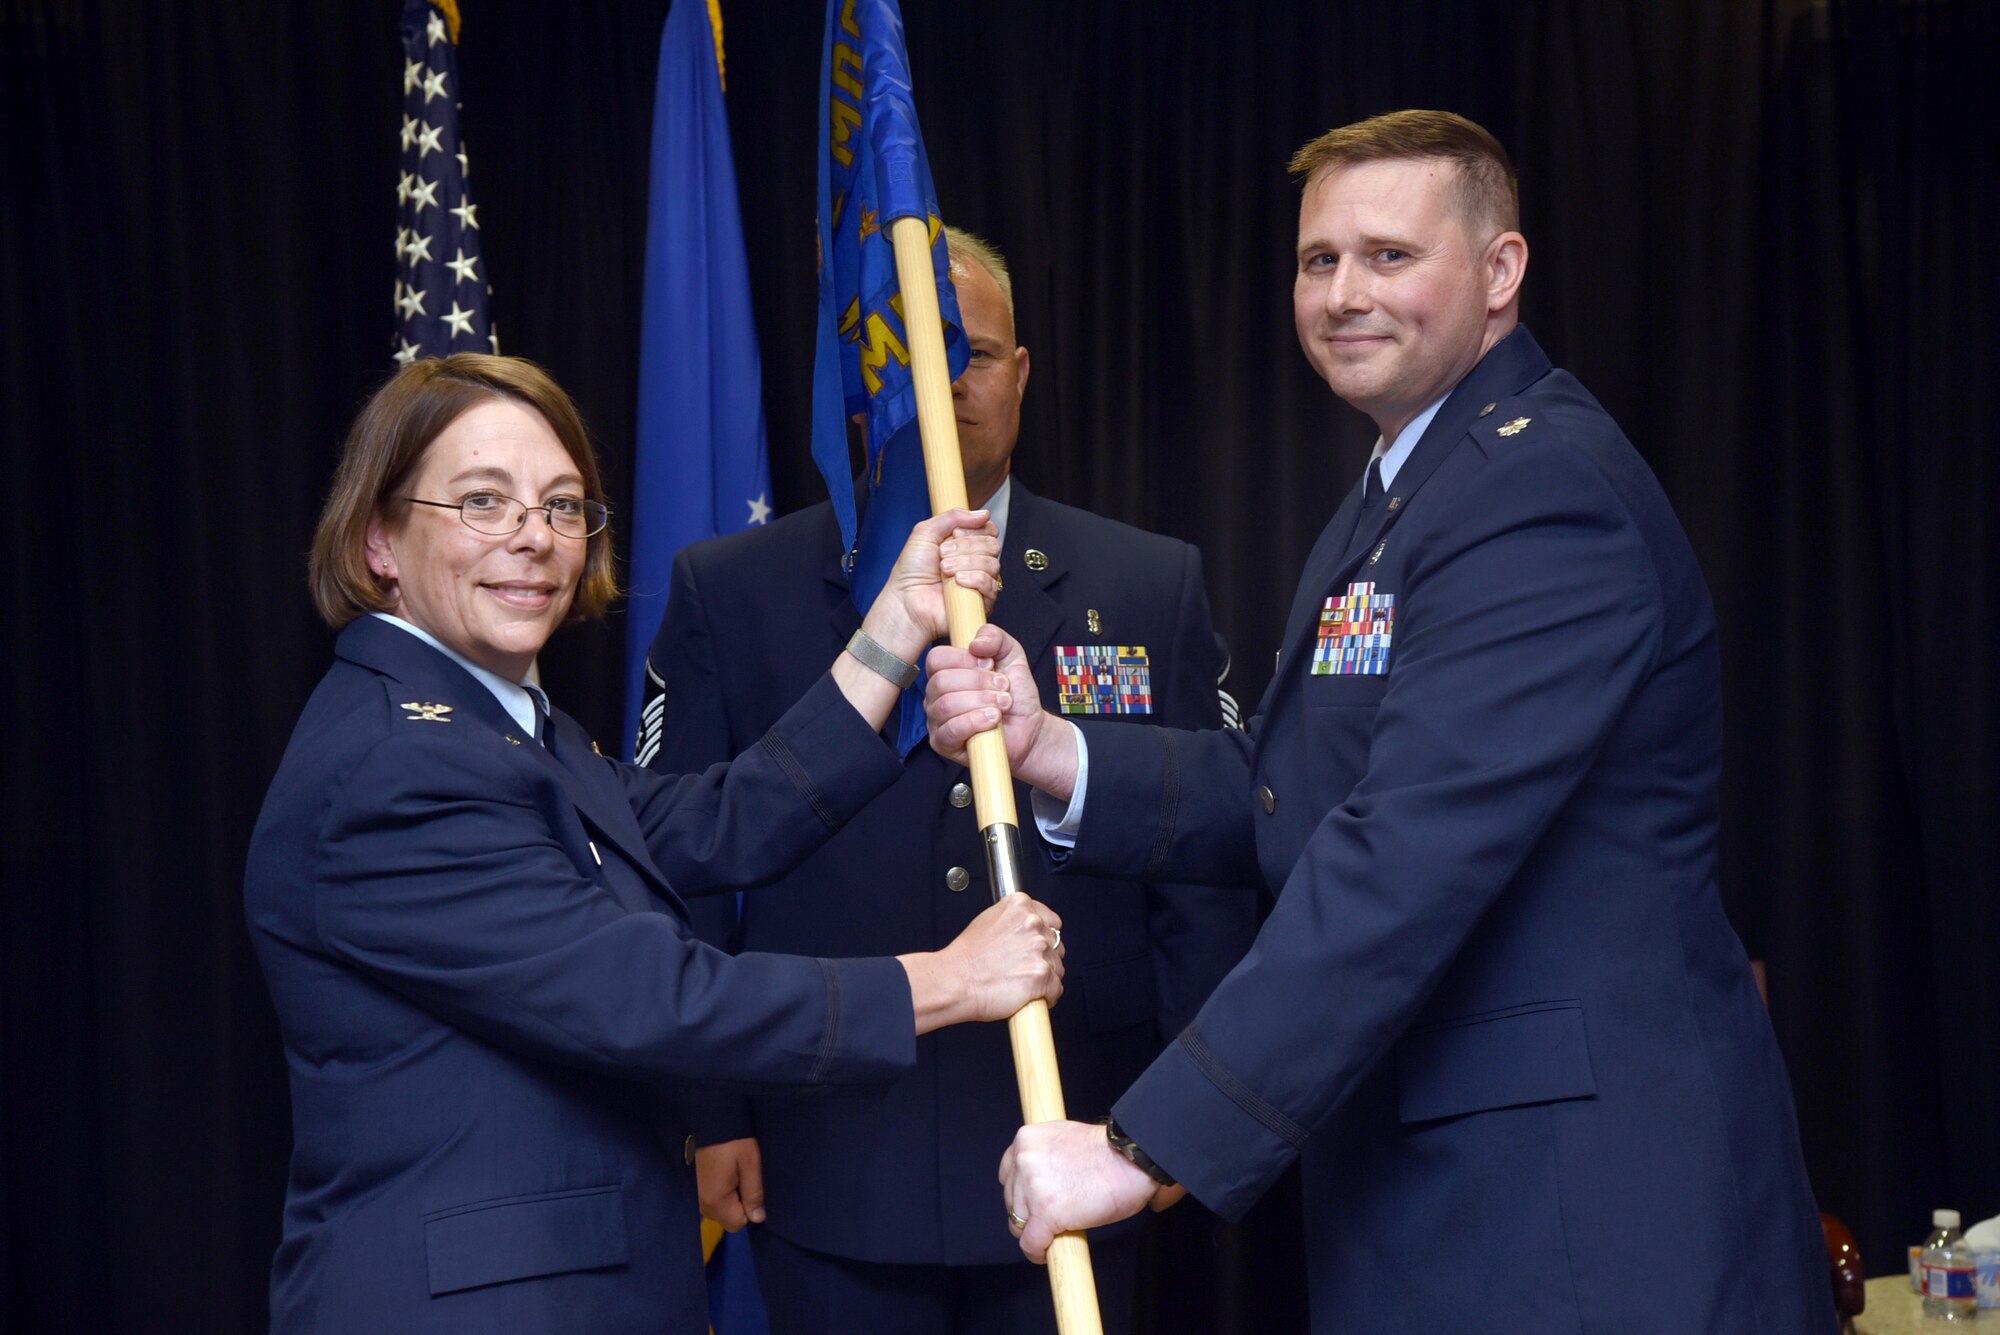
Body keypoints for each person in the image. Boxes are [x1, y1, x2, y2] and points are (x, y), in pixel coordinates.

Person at [926, 112, 1833, 1332]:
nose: (1344, 293)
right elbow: (1298, 788)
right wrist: (1056, 752)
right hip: (1447, 1198)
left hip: (1573, 1222)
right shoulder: (1409, 485)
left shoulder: (1535, 490)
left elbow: (1403, 857)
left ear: (1499, 273)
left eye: (1388, 256)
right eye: (1317, 261)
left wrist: (1145, 1151)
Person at [244, 353, 1068, 1334]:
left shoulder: (503, 728)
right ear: (379, 538)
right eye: (481, 502)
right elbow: (655, 999)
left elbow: (717, 820)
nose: (533, 540)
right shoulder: (396, 767)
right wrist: (952, 982)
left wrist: (896, 625)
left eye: (560, 506)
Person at [641, 228, 1256, 1335]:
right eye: (905, 356)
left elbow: (1205, 869)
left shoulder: (1148, 580)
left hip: (1077, 1137)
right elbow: (676, 863)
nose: (942, 383)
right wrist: (710, 1108)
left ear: (1019, 375)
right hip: (829, 1150)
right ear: (857, 382)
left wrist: (1182, 1112)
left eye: (969, 353)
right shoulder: (733, 591)